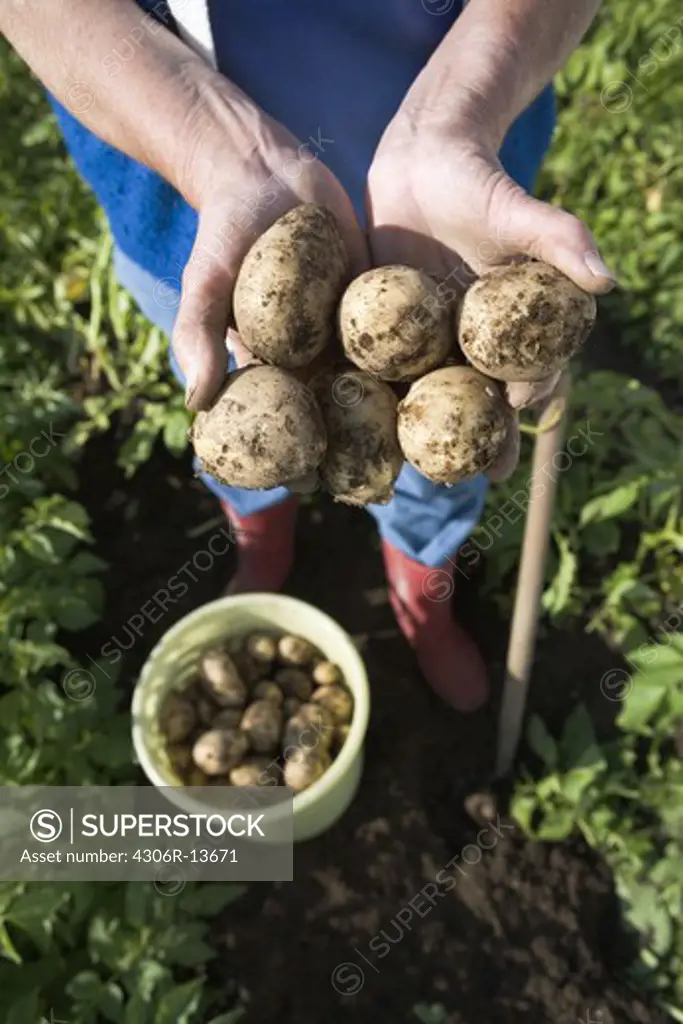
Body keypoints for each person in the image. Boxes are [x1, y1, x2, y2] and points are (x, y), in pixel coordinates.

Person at [2, 0, 614, 713]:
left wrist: (462, 109)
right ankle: (260, 546)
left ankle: (423, 592)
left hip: (447, 188)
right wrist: (210, 141)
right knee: (231, 407)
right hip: (182, 180)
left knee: (437, 471)